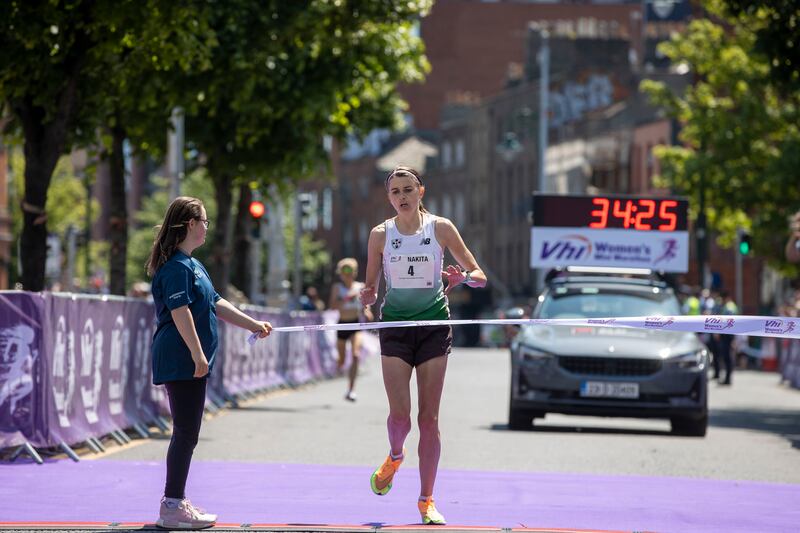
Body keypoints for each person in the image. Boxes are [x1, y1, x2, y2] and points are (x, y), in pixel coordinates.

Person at [359, 166, 487, 525]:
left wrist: (463, 278)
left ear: (421, 192)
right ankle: (395, 455)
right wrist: (367, 295)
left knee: (428, 420)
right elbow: (370, 288)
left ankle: (426, 500)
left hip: (433, 326)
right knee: (400, 416)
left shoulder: (441, 228)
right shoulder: (380, 235)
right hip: (397, 328)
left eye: (407, 190)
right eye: (395, 192)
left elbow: (479, 276)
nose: (401, 197)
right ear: (389, 198)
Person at [146, 196, 273, 529]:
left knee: (188, 432)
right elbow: (180, 312)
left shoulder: (193, 264)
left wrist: (253, 324)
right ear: (191, 224)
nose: (206, 227)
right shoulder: (175, 267)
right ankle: (171, 506)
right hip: (180, 356)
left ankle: (175, 501)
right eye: (204, 221)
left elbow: (215, 302)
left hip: (188, 357)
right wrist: (197, 353)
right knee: (186, 433)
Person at [328, 258, 372, 401]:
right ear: (340, 273)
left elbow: (366, 307)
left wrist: (367, 312)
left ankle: (351, 389)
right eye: (344, 271)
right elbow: (333, 306)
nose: (347, 274)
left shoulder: (360, 287)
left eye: (349, 270)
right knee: (341, 361)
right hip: (342, 324)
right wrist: (347, 298)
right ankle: (338, 367)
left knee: (355, 355)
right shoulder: (337, 288)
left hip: (355, 325)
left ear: (354, 272)